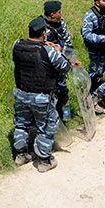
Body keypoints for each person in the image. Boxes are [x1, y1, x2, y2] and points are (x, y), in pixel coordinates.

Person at [11, 16, 69, 173]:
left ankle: (21, 155)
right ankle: (44, 160)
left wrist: (45, 46)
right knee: (47, 127)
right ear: (44, 33)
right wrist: (59, 51)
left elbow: (31, 49)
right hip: (41, 97)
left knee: (22, 124)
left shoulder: (17, 45)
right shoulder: (50, 52)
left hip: (21, 94)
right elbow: (64, 67)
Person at [42, 0, 80, 121]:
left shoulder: (61, 23)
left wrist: (71, 57)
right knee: (50, 94)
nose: (61, 14)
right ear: (52, 14)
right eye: (59, 12)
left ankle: (66, 117)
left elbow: (68, 42)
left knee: (63, 91)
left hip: (62, 62)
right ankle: (52, 120)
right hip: (48, 66)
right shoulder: (41, 27)